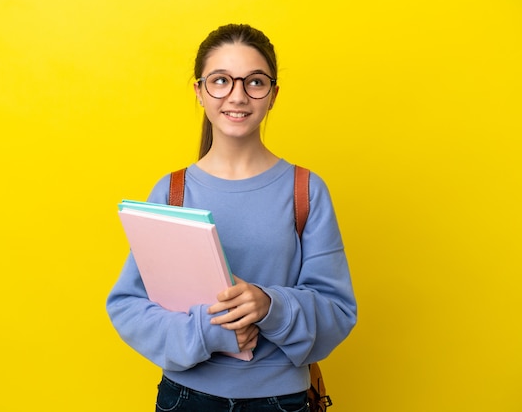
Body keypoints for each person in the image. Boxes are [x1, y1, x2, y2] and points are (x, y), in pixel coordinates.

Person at [106, 23, 357, 412]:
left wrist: (270, 306)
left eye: (254, 82)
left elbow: (339, 311)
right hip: (185, 400)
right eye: (221, 80)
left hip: (280, 401)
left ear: (272, 95)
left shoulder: (306, 190)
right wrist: (209, 333)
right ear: (199, 91)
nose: (237, 96)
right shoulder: (172, 192)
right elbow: (128, 306)